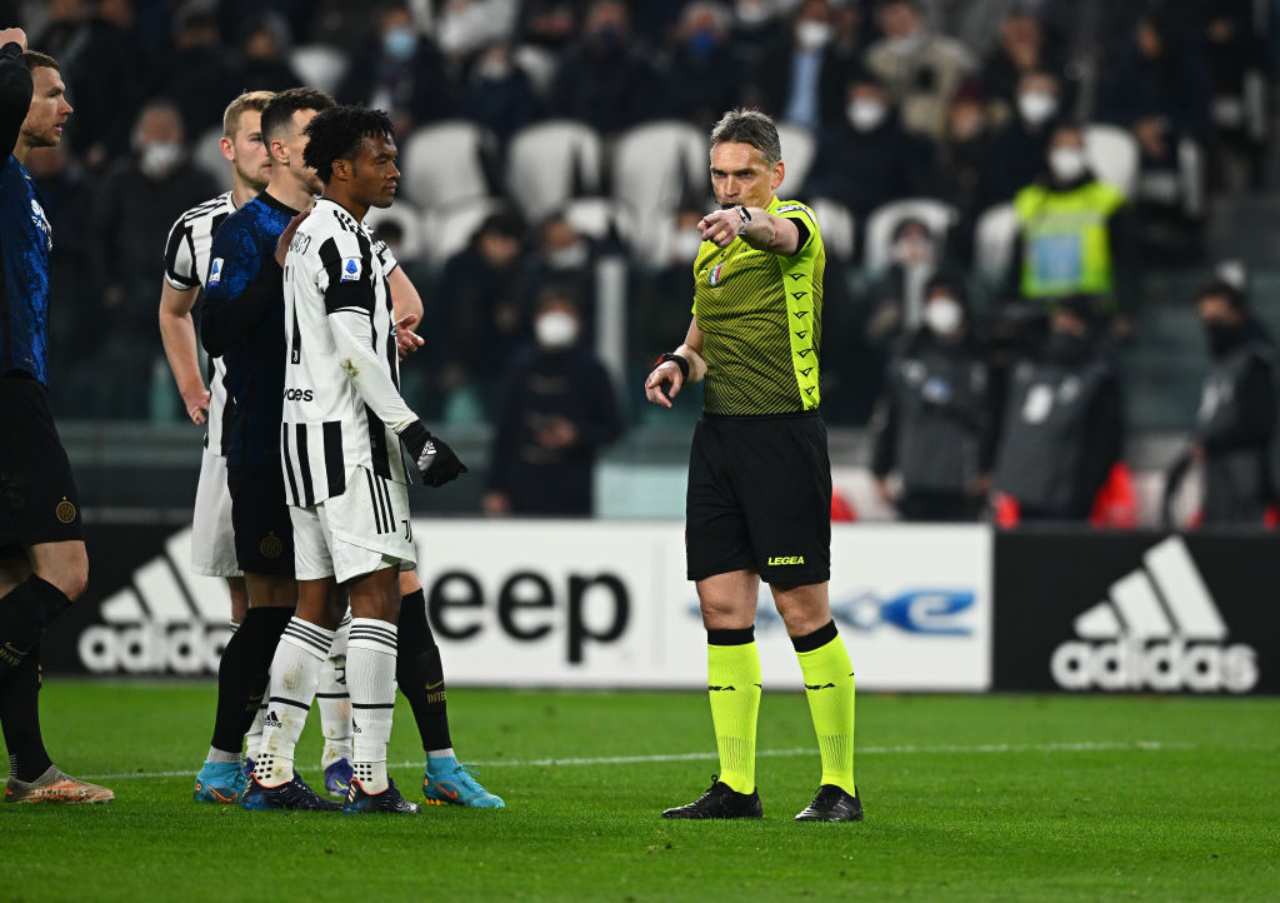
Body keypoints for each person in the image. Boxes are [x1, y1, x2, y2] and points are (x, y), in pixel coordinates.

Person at [644, 109, 859, 823]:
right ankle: (736, 786)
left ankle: (839, 786)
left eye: (744, 174)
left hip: (783, 436)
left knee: (801, 609)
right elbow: (702, 341)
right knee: (722, 609)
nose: (730, 186)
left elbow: (777, 233)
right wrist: (679, 364)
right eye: (719, 175)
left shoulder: (795, 225)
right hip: (719, 439)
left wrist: (744, 221)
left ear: (776, 173)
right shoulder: (710, 255)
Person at [275, 105, 475, 814]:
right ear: (340, 169)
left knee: (314, 605)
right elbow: (354, 352)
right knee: (378, 601)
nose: (393, 169)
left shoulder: (310, 233)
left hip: (302, 438)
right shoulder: (348, 243)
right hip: (350, 442)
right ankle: (370, 776)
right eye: (378, 158)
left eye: (393, 156)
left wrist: (386, 339)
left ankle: (270, 766)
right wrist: (413, 430)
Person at [194, 87, 340, 810]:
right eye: (315, 136)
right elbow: (215, 331)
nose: (327, 149)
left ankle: (301, 760)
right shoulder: (245, 230)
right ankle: (229, 764)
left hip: (328, 443)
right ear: (279, 149)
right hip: (263, 444)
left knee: (327, 605)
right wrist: (278, 270)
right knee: (275, 605)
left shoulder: (335, 225)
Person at [0, 32, 111, 804]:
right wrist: (10, 56)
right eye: (52, 94)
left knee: (11, 580)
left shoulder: (21, 183)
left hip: (19, 382)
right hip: (8, 390)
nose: (66, 107)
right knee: (65, 572)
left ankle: (31, 768)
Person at [159, 90, 276, 803]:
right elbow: (174, 310)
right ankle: (255, 750)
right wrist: (191, 385)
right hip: (238, 428)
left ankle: (319, 753)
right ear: (229, 148)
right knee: (247, 588)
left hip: (309, 425)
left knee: (316, 591)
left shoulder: (320, 220)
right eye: (256, 137)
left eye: (277, 136)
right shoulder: (198, 228)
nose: (270, 148)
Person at [92, 99, 220, 417]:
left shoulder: (200, 182)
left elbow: (218, 236)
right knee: (128, 381)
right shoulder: (119, 181)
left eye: (167, 132)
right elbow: (98, 236)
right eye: (154, 132)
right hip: (132, 298)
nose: (161, 140)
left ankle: (193, 436)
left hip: (187, 299)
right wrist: (109, 286)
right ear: (139, 136)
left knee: (189, 378)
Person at [485, 288, 624, 517]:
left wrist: (576, 435)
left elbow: (613, 427)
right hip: (523, 484)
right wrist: (495, 487)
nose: (557, 320)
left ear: (577, 321)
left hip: (573, 486)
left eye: (565, 313)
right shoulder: (520, 367)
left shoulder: (592, 370)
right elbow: (504, 431)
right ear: (537, 319)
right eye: (550, 312)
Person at [992, 294, 1124, 524]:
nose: (1064, 326)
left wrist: (1085, 489)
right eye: (1060, 319)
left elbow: (1106, 439)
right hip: (1026, 488)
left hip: (1069, 494)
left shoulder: (1098, 375)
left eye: (1072, 320)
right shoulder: (1031, 365)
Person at [871, 276, 993, 521]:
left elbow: (993, 418)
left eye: (946, 299)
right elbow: (892, 414)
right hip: (915, 477)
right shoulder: (909, 354)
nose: (941, 307)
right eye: (934, 300)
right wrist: (881, 468)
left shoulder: (982, 357)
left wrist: (987, 468)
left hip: (963, 482)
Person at [1008, 123, 1133, 306]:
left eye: (1074, 147)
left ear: (1085, 153)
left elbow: (1127, 260)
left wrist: (1124, 309)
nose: (1067, 154)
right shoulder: (1029, 201)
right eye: (1061, 146)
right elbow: (1016, 263)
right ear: (1049, 152)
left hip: (1092, 305)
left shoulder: (1107, 199)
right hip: (1039, 308)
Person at [1189, 280, 1276, 526]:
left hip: (1246, 477)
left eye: (1217, 318)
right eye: (1205, 319)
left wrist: (1211, 442)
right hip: (1220, 478)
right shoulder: (1222, 362)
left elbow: (1258, 422)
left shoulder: (1256, 362)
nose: (1210, 326)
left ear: (1236, 314)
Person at [864, 0, 975, 141]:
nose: (895, 20)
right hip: (890, 139)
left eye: (900, 13)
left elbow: (974, 88)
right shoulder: (873, 59)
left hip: (943, 135)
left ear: (917, 15)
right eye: (889, 14)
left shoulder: (951, 53)